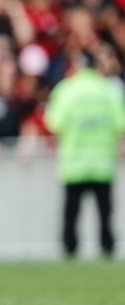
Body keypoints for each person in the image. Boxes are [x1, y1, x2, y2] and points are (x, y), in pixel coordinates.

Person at [45, 50, 125, 259]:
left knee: (72, 212)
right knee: (105, 212)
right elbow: (120, 124)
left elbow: (54, 123)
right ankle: (107, 248)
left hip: (74, 162)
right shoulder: (110, 90)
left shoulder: (66, 90)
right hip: (102, 162)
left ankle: (69, 249)